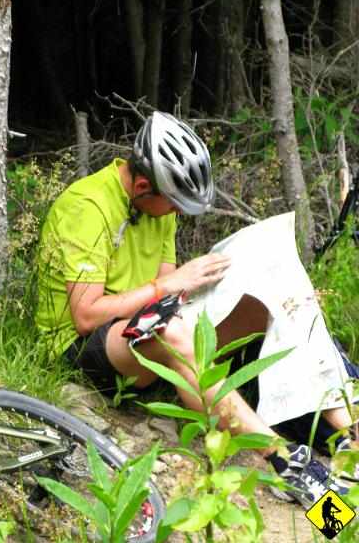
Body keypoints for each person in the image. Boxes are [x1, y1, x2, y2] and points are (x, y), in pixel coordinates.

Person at [35, 111, 355, 509]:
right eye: (173, 206)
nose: (178, 216)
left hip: (145, 330)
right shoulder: (87, 206)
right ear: (140, 186)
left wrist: (215, 279)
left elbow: (169, 293)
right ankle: (284, 463)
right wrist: (169, 286)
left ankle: (349, 436)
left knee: (277, 299)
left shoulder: (154, 205)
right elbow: (85, 316)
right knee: (168, 330)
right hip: (81, 347)